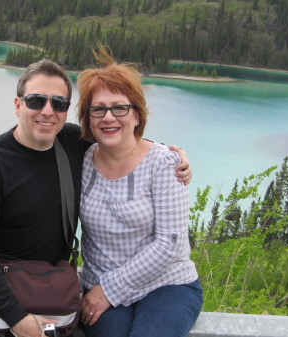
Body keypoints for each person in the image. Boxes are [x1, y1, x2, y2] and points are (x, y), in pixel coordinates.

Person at [0, 58, 192, 337]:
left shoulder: (71, 142)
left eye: (59, 103)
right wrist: (15, 317)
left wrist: (175, 157)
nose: (47, 111)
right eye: (36, 100)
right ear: (18, 105)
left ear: (67, 111)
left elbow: (124, 138)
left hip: (50, 287)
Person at [76, 45, 203, 337]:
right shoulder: (80, 159)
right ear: (88, 117)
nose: (108, 117)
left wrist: (107, 291)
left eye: (120, 107)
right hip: (99, 283)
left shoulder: (163, 163)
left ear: (136, 114)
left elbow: (169, 244)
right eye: (98, 109)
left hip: (166, 285)